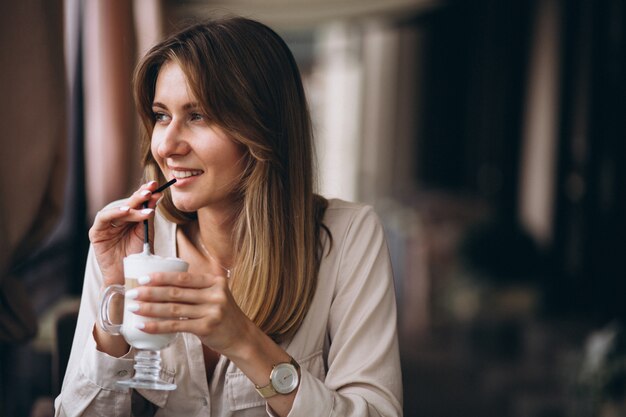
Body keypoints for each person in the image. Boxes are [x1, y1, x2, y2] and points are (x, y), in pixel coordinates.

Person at [55, 16, 402, 417]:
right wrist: (114, 298)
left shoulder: (349, 237)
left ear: (261, 130)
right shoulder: (131, 244)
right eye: (161, 115)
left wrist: (245, 342)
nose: (165, 146)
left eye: (198, 116)